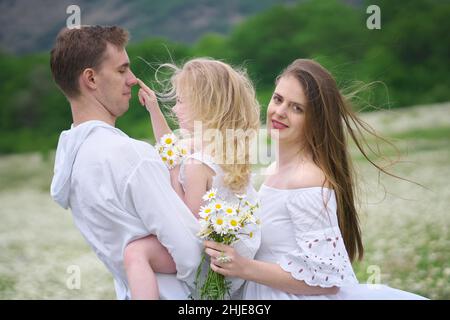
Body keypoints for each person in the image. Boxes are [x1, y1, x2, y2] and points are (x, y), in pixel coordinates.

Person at [204, 59, 427, 299]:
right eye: (278, 99)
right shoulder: (273, 170)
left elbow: (327, 280)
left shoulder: (307, 178)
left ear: (315, 121)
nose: (279, 112)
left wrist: (244, 267)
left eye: (296, 108)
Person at [49, 25, 202, 300]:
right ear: (91, 79)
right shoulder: (131, 156)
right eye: (122, 70)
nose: (132, 79)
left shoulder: (72, 161)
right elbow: (191, 253)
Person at [123, 58, 263, 299]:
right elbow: (170, 148)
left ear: (205, 105)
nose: (175, 108)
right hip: (236, 256)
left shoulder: (197, 165)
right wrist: (154, 109)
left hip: (212, 268)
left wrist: (175, 173)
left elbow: (185, 225)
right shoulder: (222, 145)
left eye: (180, 101)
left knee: (135, 252)